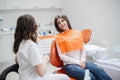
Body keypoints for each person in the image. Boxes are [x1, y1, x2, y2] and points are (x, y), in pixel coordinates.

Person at [54, 15, 112, 80]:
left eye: (62, 20)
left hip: (82, 62)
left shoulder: (77, 33)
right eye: (59, 23)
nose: (61, 23)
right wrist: (78, 62)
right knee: (90, 76)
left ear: (66, 21)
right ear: (58, 26)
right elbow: (62, 56)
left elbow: (82, 49)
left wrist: (82, 61)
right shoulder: (59, 38)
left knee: (99, 70)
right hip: (70, 65)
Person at [13, 14, 69, 80]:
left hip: (23, 77)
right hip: (36, 78)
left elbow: (17, 61)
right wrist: (45, 59)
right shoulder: (31, 46)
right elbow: (41, 73)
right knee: (65, 78)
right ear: (32, 27)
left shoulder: (20, 43)